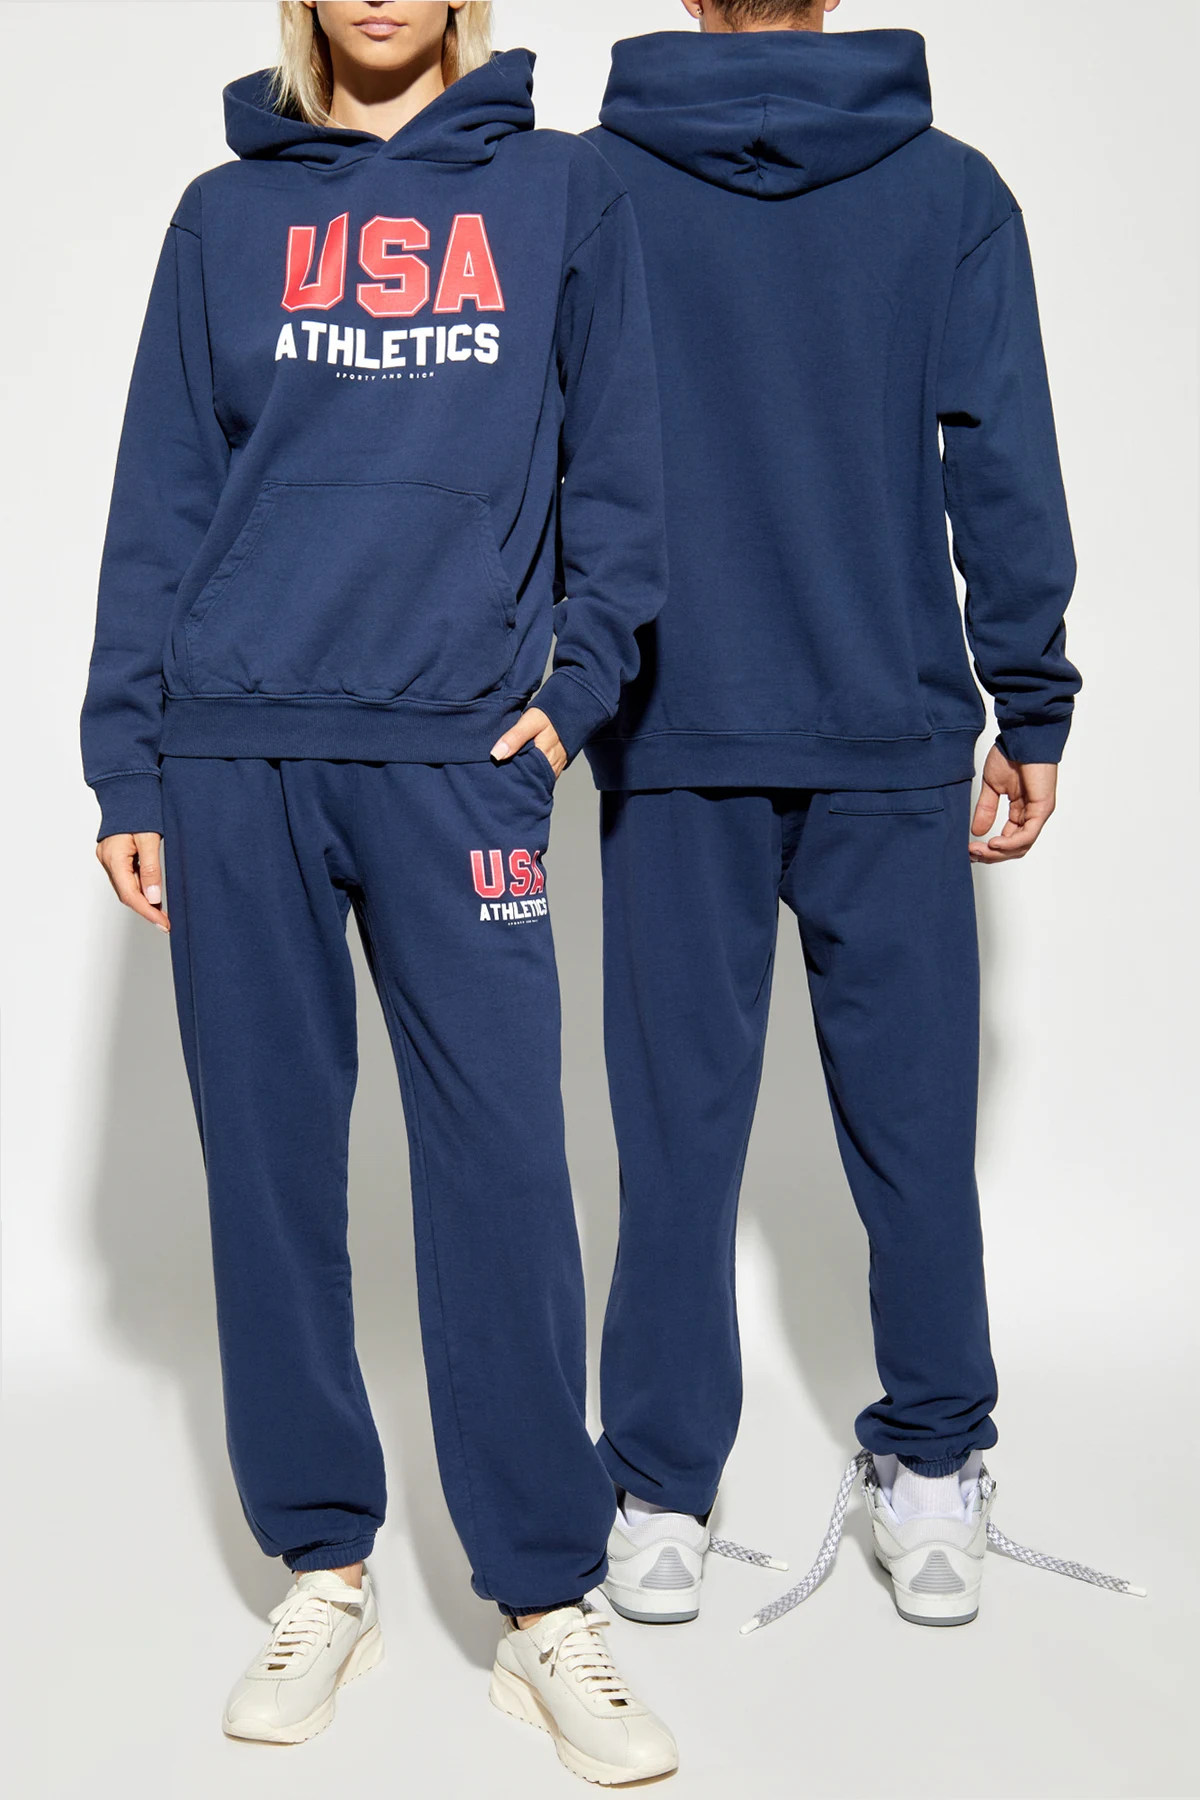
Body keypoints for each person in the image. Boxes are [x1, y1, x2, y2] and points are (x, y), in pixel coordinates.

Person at [82, 2, 679, 1780]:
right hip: (237, 747)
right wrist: (131, 760)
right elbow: (163, 494)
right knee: (269, 1172)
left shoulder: (563, 191)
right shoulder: (225, 215)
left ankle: (544, 1602)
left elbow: (621, 473)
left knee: (502, 1172)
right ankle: (323, 1566)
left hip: (457, 753)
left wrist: (574, 694)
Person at [585, 0, 1081, 1630]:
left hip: (673, 728)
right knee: (916, 1132)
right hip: (888, 724)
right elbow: (1000, 461)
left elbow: (537, 458)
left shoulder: (592, 186)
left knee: (674, 1141)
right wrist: (1031, 695)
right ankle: (933, 1479)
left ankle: (660, 1498)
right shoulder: (950, 190)